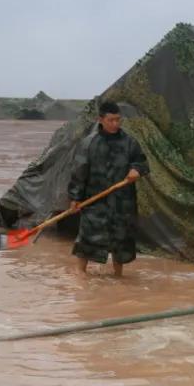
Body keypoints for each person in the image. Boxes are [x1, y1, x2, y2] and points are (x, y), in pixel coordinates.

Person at [67, 101, 150, 277]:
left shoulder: (129, 142)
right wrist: (75, 198)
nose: (115, 124)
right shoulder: (88, 144)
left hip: (122, 202)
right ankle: (80, 275)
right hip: (95, 200)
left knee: (121, 239)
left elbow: (141, 162)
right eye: (111, 120)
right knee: (87, 237)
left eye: (118, 120)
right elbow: (79, 172)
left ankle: (118, 277)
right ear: (101, 119)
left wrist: (136, 169)